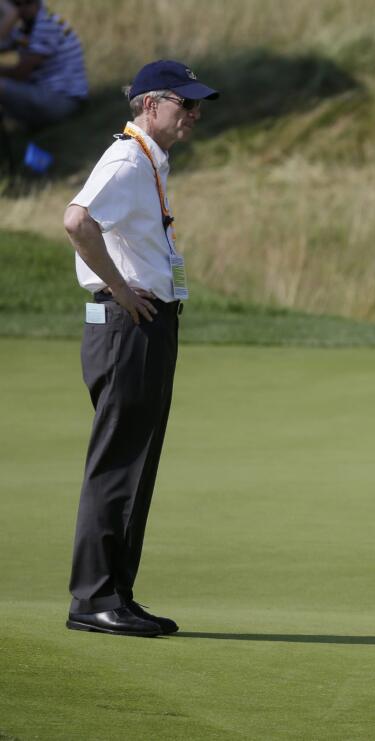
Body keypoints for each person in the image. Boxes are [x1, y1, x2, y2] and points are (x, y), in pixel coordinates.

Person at [62, 60, 219, 637]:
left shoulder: (148, 162)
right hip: (128, 323)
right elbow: (77, 221)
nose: (194, 115)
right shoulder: (128, 160)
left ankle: (116, 594)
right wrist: (123, 290)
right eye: (186, 105)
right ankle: (94, 599)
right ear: (151, 105)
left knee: (136, 461)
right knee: (118, 462)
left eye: (197, 105)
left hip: (144, 323)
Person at [0, 0, 88, 127]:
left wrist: (10, 16)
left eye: (25, 3)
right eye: (16, 4)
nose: (21, 9)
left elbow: (20, 73)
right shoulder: (26, 28)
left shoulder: (46, 25)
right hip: (47, 94)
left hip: (63, 100)